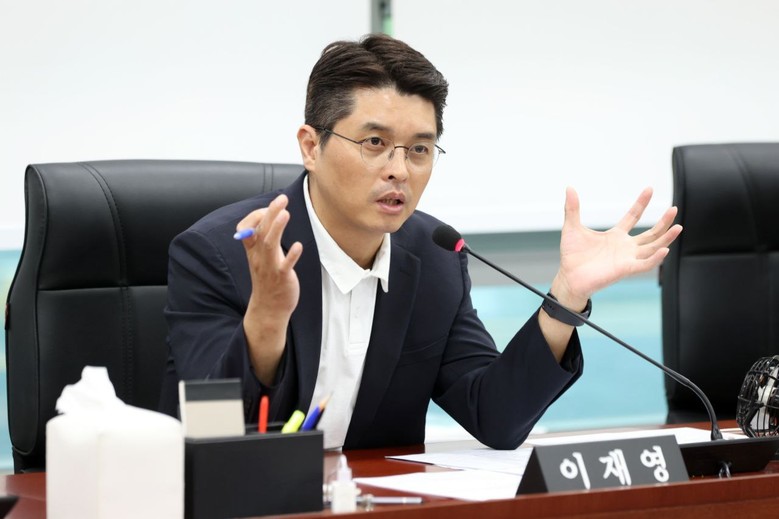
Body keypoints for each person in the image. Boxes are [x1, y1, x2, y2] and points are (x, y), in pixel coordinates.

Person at [159, 34, 681, 450]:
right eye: (375, 143)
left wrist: (566, 297)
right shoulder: (222, 254)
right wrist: (266, 321)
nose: (399, 170)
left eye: (419, 150)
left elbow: (495, 417)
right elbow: (211, 434)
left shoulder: (434, 259)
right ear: (311, 146)